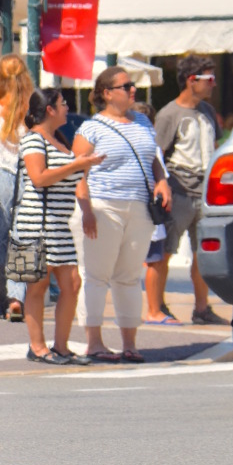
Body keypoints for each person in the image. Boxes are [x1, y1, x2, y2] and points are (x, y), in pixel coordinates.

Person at [70, 66, 171, 364]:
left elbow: (152, 159)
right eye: (125, 86)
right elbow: (77, 172)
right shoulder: (91, 128)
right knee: (96, 276)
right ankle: (94, 342)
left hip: (139, 207)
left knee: (128, 277)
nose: (132, 90)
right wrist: (86, 209)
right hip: (103, 206)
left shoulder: (141, 121)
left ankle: (129, 342)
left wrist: (162, 180)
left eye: (132, 85)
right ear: (106, 93)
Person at [15, 89, 105, 365]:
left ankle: (62, 347)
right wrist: (78, 164)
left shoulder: (59, 141)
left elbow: (74, 178)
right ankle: (38, 346)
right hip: (35, 224)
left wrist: (86, 207)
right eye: (63, 103)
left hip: (58, 225)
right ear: (50, 110)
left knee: (72, 283)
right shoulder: (33, 141)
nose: (67, 108)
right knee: (37, 286)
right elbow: (39, 178)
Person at [147, 55, 225, 325]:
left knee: (203, 254)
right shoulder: (170, 114)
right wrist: (162, 185)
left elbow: (214, 145)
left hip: (205, 193)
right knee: (164, 251)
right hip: (178, 190)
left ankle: (202, 309)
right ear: (192, 81)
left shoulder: (207, 112)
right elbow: (157, 153)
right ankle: (156, 308)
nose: (214, 84)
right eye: (209, 79)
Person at [0, 54, 32, 320]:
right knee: (25, 239)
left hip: (0, 176)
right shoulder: (32, 108)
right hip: (29, 176)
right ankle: (17, 298)